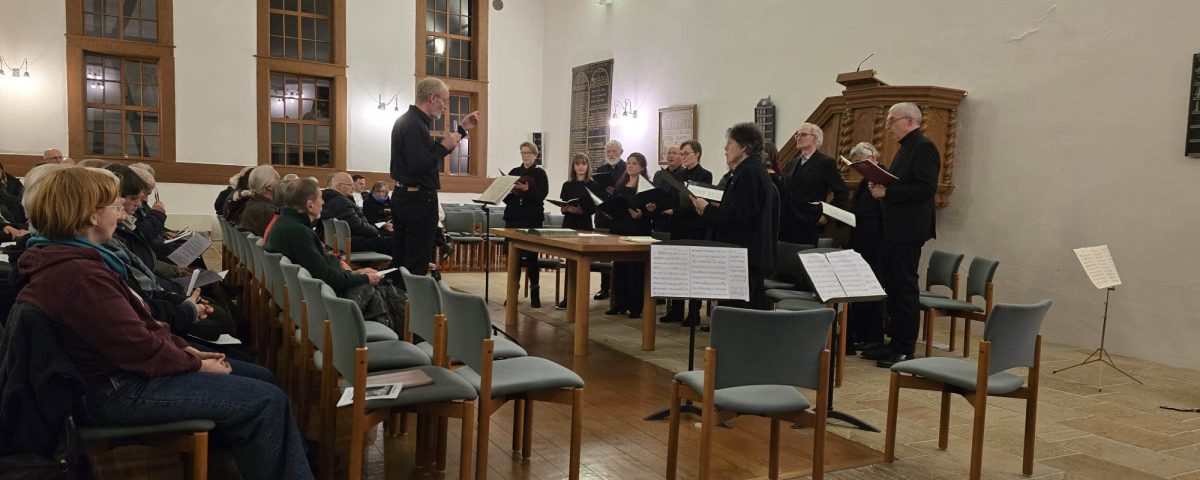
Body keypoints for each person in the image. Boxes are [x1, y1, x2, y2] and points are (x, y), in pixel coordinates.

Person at [16, 167, 311, 479]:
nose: (120, 214)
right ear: (91, 215)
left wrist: (187, 351)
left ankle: (275, 458)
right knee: (268, 402)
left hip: (120, 375)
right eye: (115, 206)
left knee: (260, 377)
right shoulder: (78, 274)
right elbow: (136, 348)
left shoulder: (76, 259)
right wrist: (194, 364)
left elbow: (139, 325)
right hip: (112, 391)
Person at [860, 102, 940, 368]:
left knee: (904, 288)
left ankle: (905, 348)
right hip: (895, 228)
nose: (887, 126)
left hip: (909, 230)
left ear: (909, 120)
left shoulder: (924, 147)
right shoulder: (906, 148)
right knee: (892, 286)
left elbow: (926, 189)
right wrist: (880, 184)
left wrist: (888, 192)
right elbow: (904, 183)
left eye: (891, 120)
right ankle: (893, 343)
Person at [390, 77, 479, 282]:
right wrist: (444, 146)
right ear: (432, 97)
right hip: (417, 200)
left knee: (402, 259)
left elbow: (425, 155)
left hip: (406, 196)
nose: (446, 107)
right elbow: (420, 165)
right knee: (415, 263)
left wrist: (461, 130)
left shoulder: (409, 121)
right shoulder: (414, 125)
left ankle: (399, 306)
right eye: (445, 101)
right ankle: (410, 309)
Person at [691, 122, 779, 309]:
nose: (725, 148)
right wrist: (716, 207)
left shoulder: (749, 172)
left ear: (745, 147)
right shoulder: (747, 171)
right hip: (742, 255)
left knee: (739, 315)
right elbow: (740, 209)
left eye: (730, 143)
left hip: (744, 258)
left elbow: (739, 217)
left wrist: (707, 209)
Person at [266, 178, 382, 295]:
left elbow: (319, 269)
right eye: (320, 198)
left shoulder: (285, 222)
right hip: (315, 296)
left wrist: (356, 274)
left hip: (298, 290)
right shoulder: (298, 232)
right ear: (310, 205)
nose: (323, 202)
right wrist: (365, 278)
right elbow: (327, 278)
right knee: (380, 293)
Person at [658, 140, 713, 326]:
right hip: (678, 226)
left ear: (697, 154)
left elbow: (699, 202)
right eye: (681, 154)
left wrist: (676, 211)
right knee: (678, 270)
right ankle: (676, 310)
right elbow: (672, 198)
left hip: (695, 226)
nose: (683, 157)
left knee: (693, 271)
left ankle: (694, 313)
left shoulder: (705, 175)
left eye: (686, 153)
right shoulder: (679, 174)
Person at [844, 142, 887, 354]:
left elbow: (883, 211)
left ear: (872, 159)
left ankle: (873, 336)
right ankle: (861, 334)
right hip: (861, 240)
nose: (859, 168)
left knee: (873, 289)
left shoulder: (883, 178)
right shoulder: (865, 181)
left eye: (861, 163)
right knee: (859, 290)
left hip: (876, 242)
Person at [779, 123, 848, 246]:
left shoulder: (825, 162)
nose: (798, 137)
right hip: (786, 222)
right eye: (797, 135)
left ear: (815, 139)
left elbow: (842, 191)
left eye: (803, 134)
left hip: (808, 222)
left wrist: (826, 215)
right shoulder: (792, 162)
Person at [606, 153, 656, 318]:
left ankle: (635, 307)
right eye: (628, 163)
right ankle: (618, 303)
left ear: (642, 167)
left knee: (634, 270)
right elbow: (614, 203)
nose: (630, 166)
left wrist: (641, 214)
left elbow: (652, 211)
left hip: (638, 230)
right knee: (619, 267)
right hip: (621, 229)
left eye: (634, 163)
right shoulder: (621, 184)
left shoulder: (647, 186)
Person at [503, 141, 550, 307]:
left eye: (529, 153)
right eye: (523, 152)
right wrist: (509, 190)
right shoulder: (514, 172)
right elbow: (506, 198)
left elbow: (541, 196)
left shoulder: (540, 173)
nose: (526, 155)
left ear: (535, 155)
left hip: (532, 220)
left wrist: (527, 190)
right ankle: (512, 293)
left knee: (532, 258)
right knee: (513, 258)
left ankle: (534, 293)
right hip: (513, 219)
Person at [555, 153, 601, 310]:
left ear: (587, 166)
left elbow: (594, 209)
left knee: (581, 263)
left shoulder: (593, 185)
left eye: (583, 163)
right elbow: (563, 206)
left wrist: (580, 211)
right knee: (569, 263)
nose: (580, 166)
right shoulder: (567, 185)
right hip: (569, 224)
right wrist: (565, 208)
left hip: (584, 225)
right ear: (573, 166)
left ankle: (580, 297)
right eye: (577, 164)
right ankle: (568, 297)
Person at [321, 172, 392, 254]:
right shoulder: (342, 202)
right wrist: (378, 232)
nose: (353, 188)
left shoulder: (327, 199)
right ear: (340, 186)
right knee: (394, 240)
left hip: (344, 241)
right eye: (350, 185)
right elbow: (358, 226)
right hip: (352, 243)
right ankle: (396, 266)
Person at [592, 139, 626, 300]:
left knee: (619, 254)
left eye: (614, 151)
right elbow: (595, 193)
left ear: (621, 152)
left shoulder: (627, 169)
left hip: (619, 216)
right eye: (609, 152)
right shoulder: (600, 170)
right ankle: (604, 288)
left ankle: (618, 289)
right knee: (603, 253)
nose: (611, 154)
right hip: (602, 216)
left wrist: (616, 192)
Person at [235, 165, 281, 237]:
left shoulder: (253, 204)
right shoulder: (264, 210)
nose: (281, 183)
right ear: (269, 186)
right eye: (278, 180)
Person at [651, 145, 682, 235]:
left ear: (681, 157)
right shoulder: (659, 174)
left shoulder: (683, 174)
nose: (671, 156)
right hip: (658, 219)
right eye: (669, 153)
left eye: (674, 153)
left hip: (675, 220)